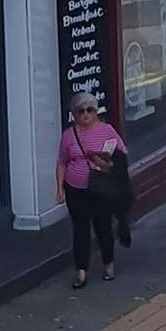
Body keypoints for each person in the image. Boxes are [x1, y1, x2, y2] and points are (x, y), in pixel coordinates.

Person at [55, 92, 129, 290]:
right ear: (75, 114)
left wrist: (106, 163)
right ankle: (81, 270)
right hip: (75, 188)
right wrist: (59, 188)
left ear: (96, 112)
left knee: (103, 226)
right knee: (80, 229)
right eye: (81, 111)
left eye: (90, 110)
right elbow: (62, 162)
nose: (86, 114)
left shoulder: (106, 130)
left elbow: (122, 153)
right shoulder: (68, 136)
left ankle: (108, 264)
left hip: (100, 188)